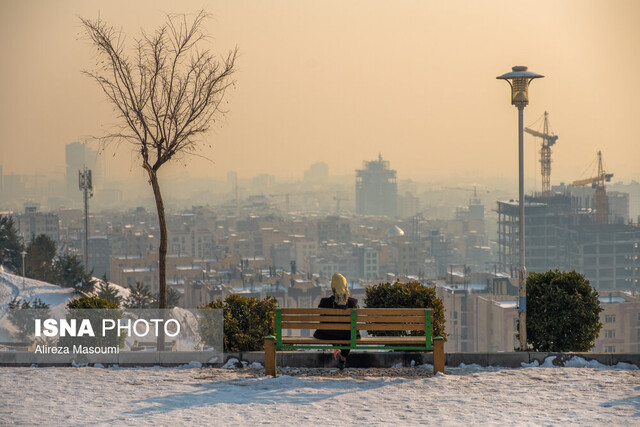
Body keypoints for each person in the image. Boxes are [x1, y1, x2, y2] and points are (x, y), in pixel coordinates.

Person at [313, 273, 360, 369]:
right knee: (348, 334)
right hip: (348, 335)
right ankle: (342, 359)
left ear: (333, 287)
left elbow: (322, 319)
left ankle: (337, 349)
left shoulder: (324, 302)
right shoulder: (353, 302)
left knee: (332, 330)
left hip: (328, 334)